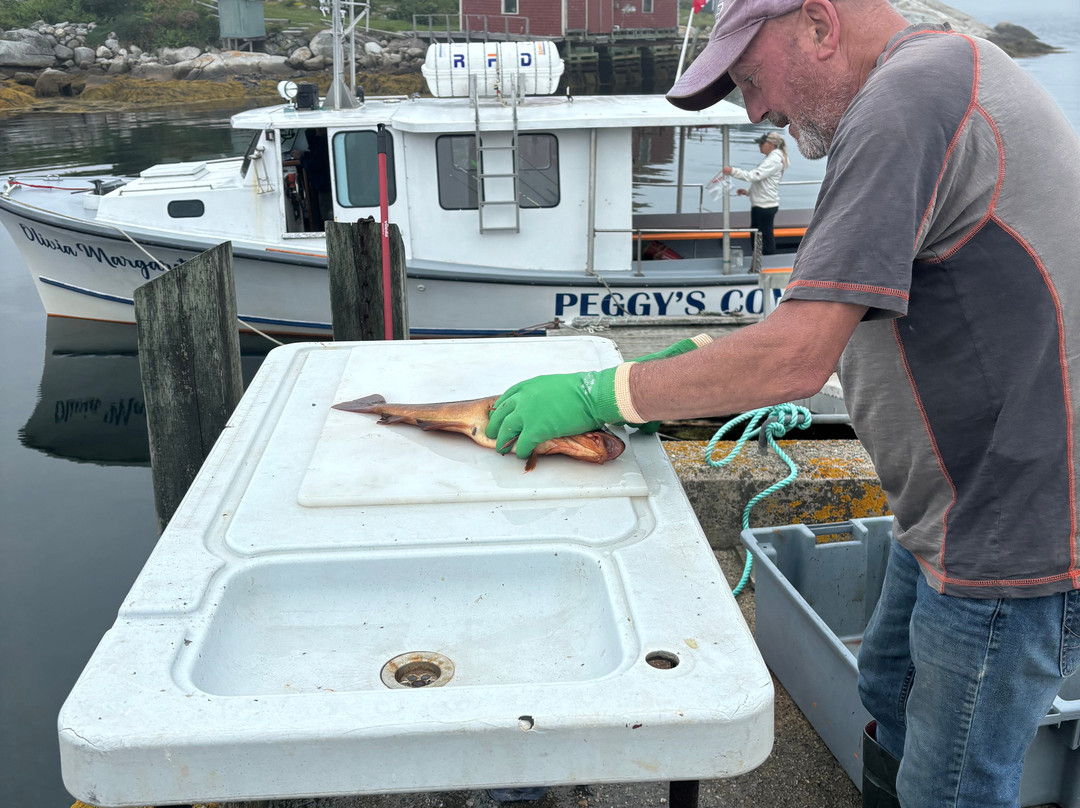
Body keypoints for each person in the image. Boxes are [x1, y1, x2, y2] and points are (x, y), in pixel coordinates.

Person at [482, 1, 1080, 806]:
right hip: (953, 496)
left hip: (1009, 525)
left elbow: (797, 358)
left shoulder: (908, 100)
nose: (755, 110)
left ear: (820, 24)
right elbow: (834, 307)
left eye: (751, 77)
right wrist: (688, 363)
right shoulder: (939, 73)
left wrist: (610, 391)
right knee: (890, 690)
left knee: (955, 783)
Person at [722, 130, 789, 254]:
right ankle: (759, 259)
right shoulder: (772, 157)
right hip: (763, 203)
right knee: (758, 234)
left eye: (762, 143)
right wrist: (748, 192)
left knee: (763, 236)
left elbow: (755, 175)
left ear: (771, 144)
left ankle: (767, 263)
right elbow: (762, 181)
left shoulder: (774, 159)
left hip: (765, 205)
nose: (759, 146)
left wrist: (732, 171)